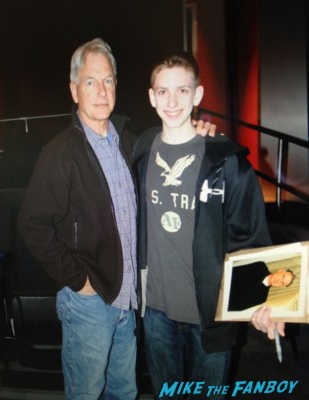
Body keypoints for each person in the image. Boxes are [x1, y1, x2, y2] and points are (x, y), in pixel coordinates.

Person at [17, 39, 216, 400]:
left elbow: (174, 143)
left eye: (108, 80)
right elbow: (32, 225)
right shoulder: (59, 153)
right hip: (89, 302)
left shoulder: (131, 143)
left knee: (124, 392)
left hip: (128, 301)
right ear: (74, 90)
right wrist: (80, 280)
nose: (101, 90)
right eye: (91, 81)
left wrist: (201, 132)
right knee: (86, 393)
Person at [134, 52, 272, 399]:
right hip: (156, 315)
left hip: (209, 317)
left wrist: (264, 301)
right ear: (151, 97)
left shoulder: (226, 162)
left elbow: (251, 236)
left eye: (183, 90)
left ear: (197, 95)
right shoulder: (140, 152)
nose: (172, 101)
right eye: (163, 92)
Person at [228, 262, 295, 311]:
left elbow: (237, 307)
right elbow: (233, 271)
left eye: (282, 283)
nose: (279, 281)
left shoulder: (262, 298)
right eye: (282, 276)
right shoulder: (260, 266)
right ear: (280, 270)